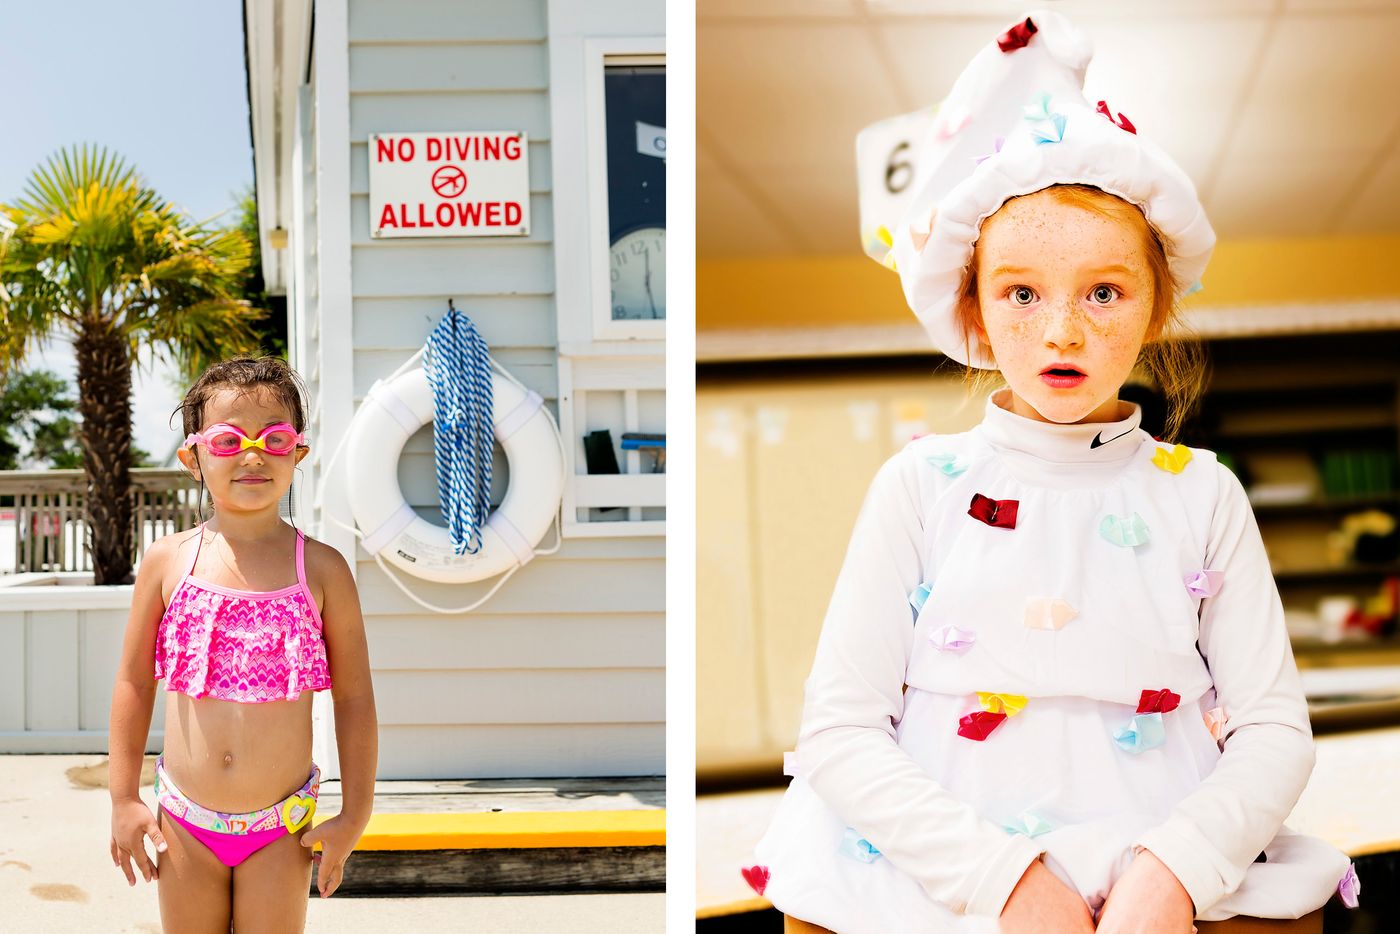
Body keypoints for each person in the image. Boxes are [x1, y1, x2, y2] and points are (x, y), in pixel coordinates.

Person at [745, 11, 1356, 934]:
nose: (1063, 332)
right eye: (1022, 293)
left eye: (1104, 291)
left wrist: (1174, 873)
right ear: (977, 315)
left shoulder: (1204, 495)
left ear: (1155, 307)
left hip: (1170, 875)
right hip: (939, 880)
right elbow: (839, 733)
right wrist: (1002, 879)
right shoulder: (919, 487)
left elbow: (1274, 732)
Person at [108, 355, 378, 931]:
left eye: (274, 439)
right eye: (228, 441)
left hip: (281, 828)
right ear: (193, 458)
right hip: (185, 821)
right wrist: (123, 799)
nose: (253, 455)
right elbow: (133, 681)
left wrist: (355, 813)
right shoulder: (167, 562)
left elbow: (355, 699)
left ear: (297, 454)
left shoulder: (323, 571)